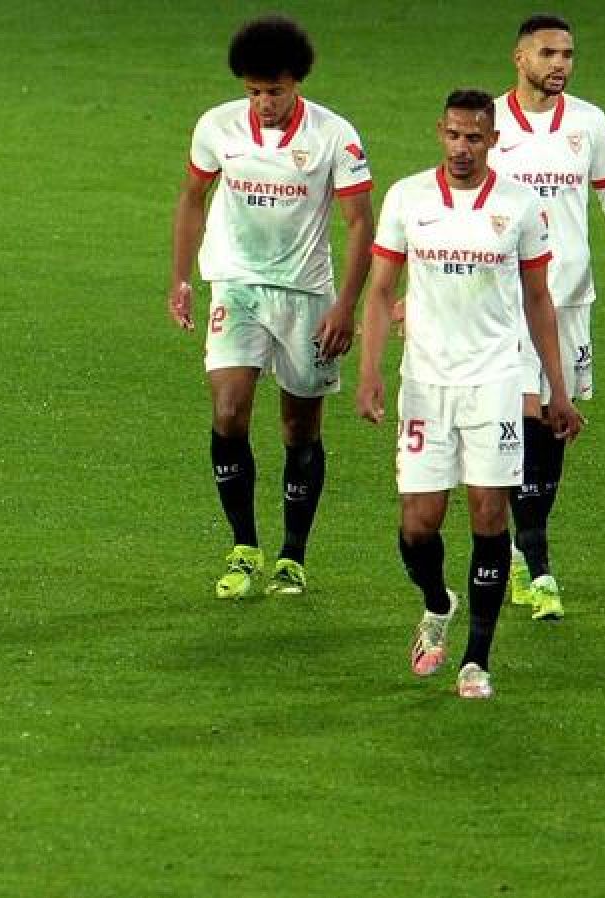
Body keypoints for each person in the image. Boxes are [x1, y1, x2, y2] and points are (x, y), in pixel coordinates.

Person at [357, 90, 584, 699]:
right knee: (417, 525)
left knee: (488, 514)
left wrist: (558, 390)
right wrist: (371, 370)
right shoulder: (408, 198)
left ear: (492, 140)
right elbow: (380, 291)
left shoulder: (519, 205)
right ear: (441, 132)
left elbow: (539, 299)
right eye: (454, 135)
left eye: (475, 137)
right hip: (426, 385)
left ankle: (475, 661)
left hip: (496, 383)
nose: (462, 147)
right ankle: (437, 603)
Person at [168, 15, 374, 599]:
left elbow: (361, 223)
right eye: (254, 91)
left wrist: (346, 306)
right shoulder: (217, 126)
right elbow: (192, 198)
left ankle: (292, 556)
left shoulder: (335, 135)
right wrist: (181, 278)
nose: (263, 103)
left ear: (296, 82)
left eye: (274, 92)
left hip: (307, 294)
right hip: (236, 284)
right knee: (229, 410)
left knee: (299, 427)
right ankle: (243, 548)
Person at [490, 14, 605, 620]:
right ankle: (538, 562)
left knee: (553, 424)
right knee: (523, 416)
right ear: (520, 57)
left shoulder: (589, 123)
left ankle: (521, 549)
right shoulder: (490, 124)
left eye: (567, 54)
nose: (560, 64)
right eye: (548, 53)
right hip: (507, 300)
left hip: (569, 299)